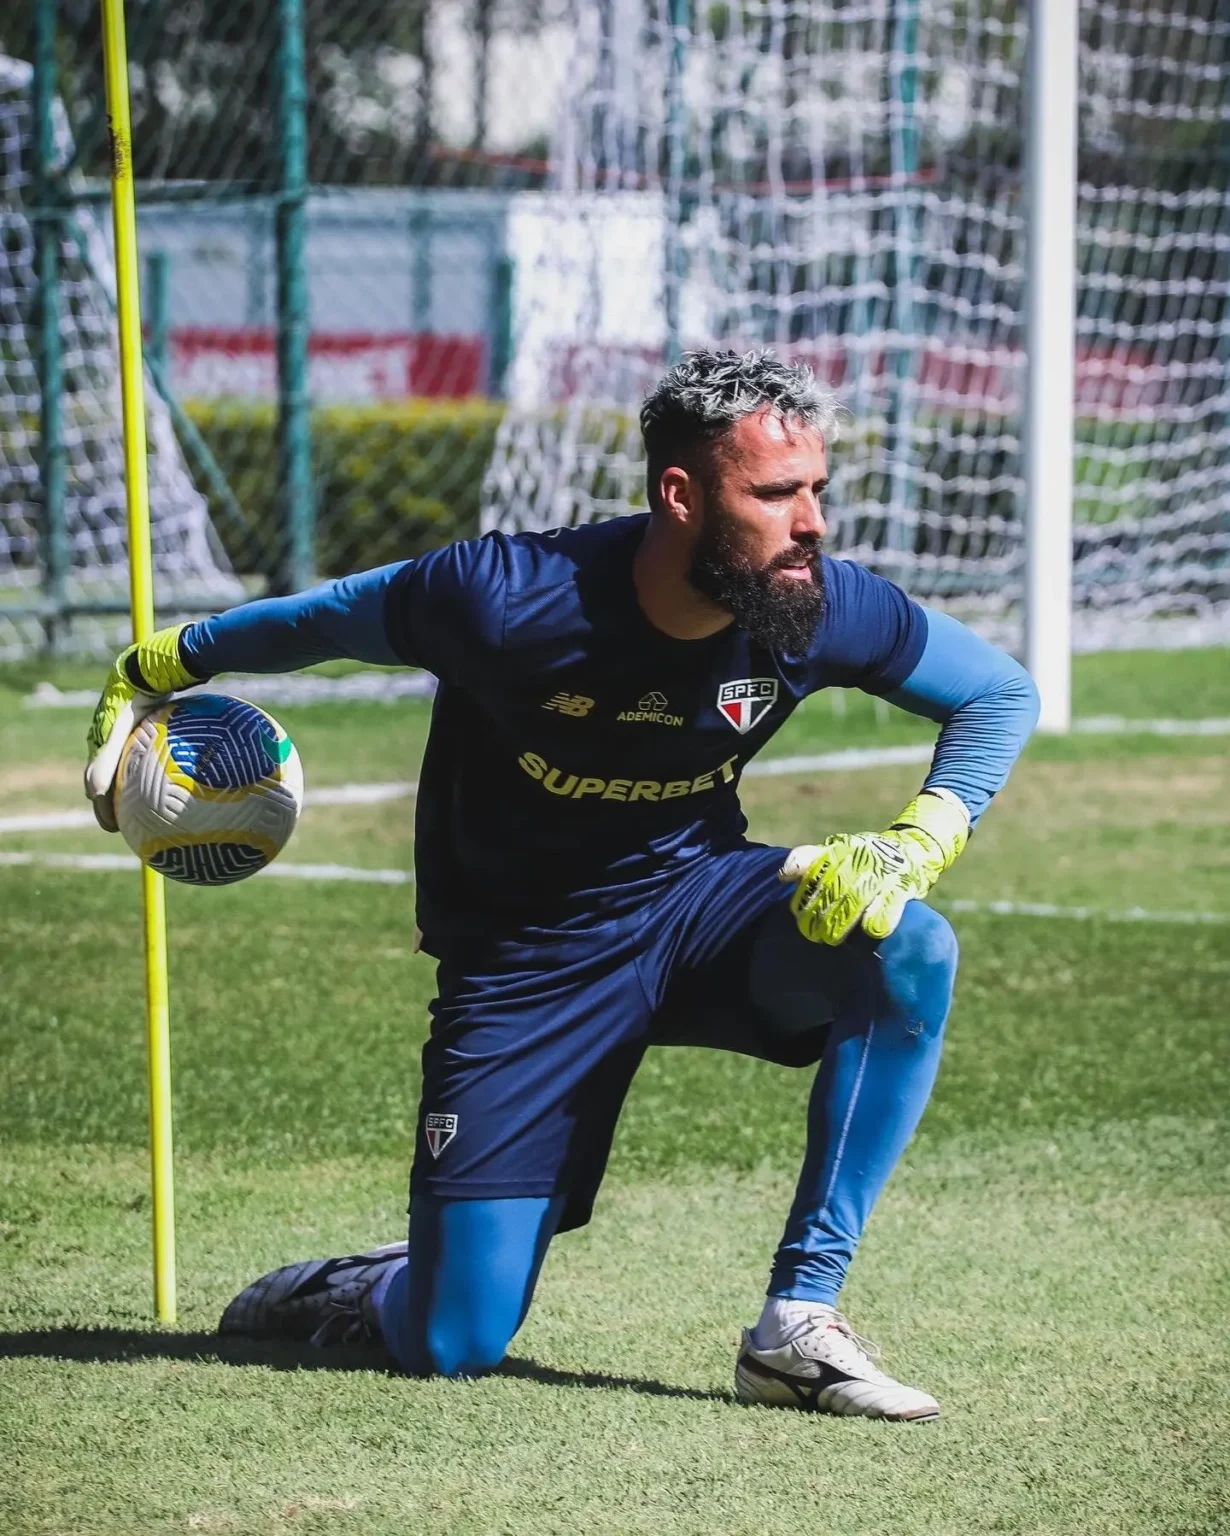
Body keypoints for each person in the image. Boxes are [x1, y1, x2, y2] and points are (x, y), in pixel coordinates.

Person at [85, 349, 1039, 1420]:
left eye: (816, 489)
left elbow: (997, 694)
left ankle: (797, 1321)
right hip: (524, 964)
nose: (810, 521)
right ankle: (363, 1287)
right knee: (457, 1340)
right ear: (680, 494)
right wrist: (163, 664)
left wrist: (920, 836)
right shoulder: (504, 598)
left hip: (697, 907)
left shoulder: (814, 603)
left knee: (907, 942)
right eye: (776, 494)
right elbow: (328, 618)